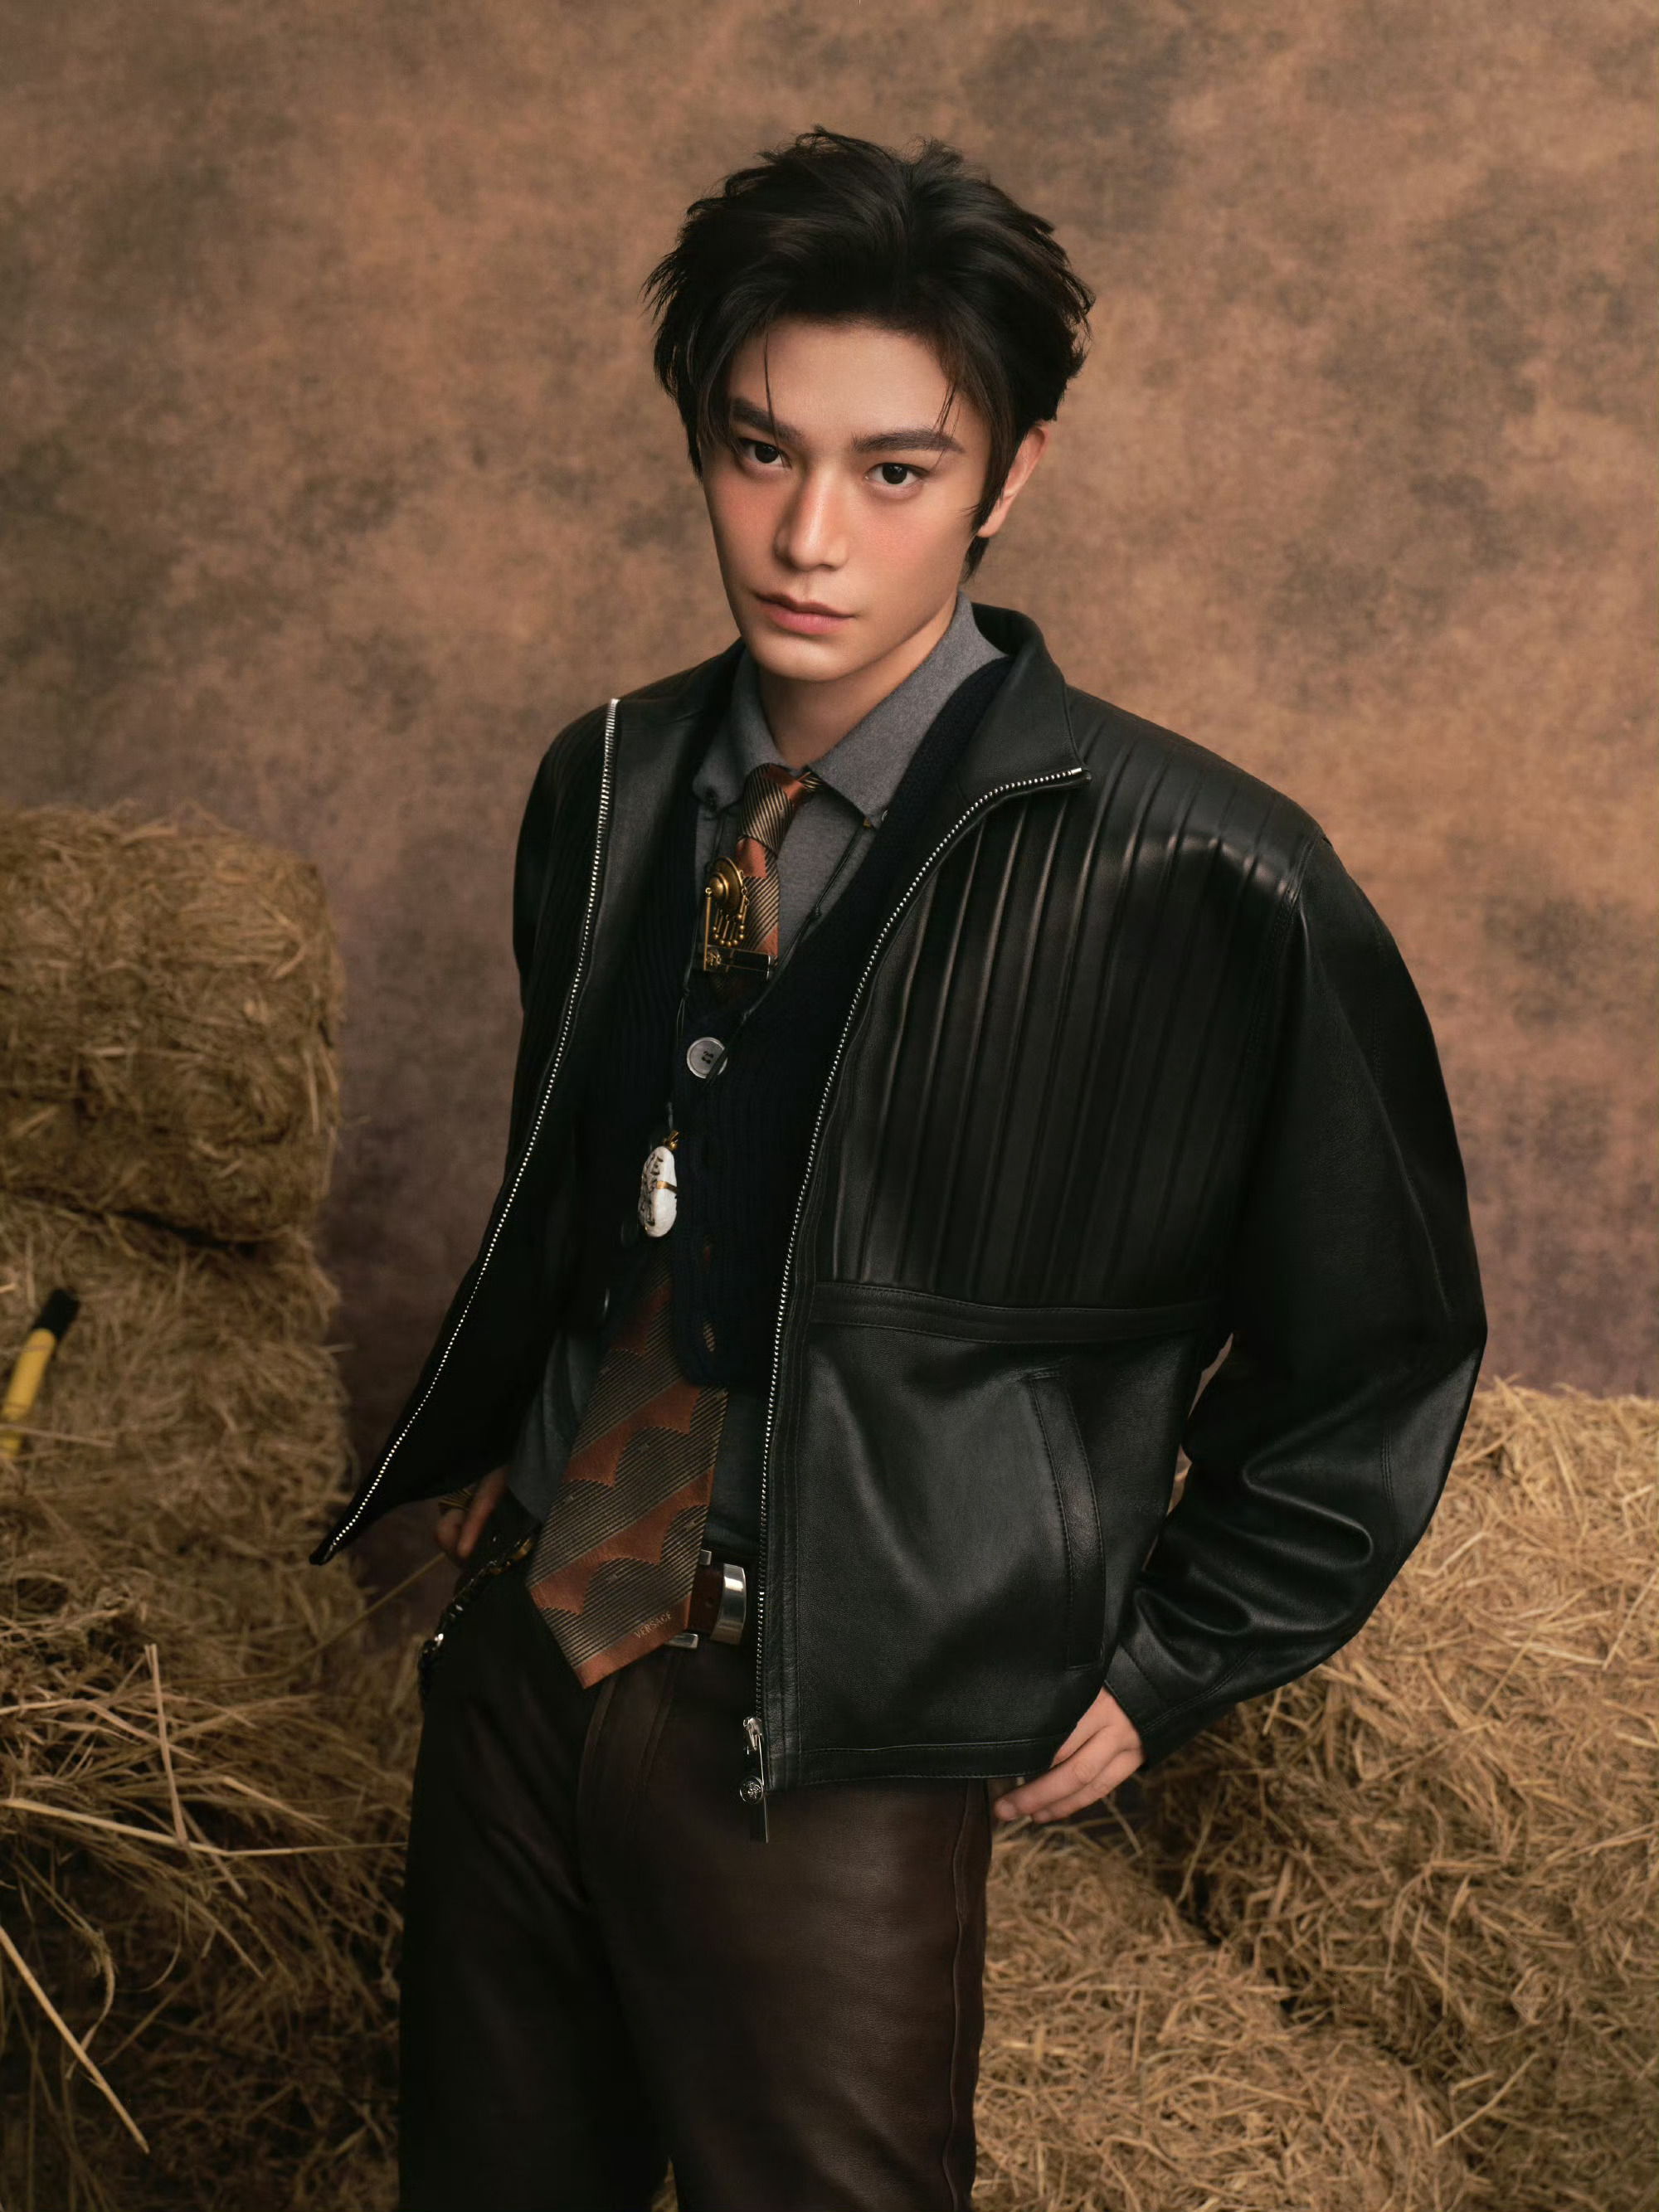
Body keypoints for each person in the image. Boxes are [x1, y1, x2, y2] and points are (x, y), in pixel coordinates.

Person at [312, 127, 1486, 2212]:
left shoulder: (1203, 874)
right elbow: (599, 1183)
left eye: (895, 470)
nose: (807, 535)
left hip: (827, 1731)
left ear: (1009, 474)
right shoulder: (604, 778)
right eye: (759, 452)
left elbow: (1381, 1338)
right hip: (521, 1659)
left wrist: (1171, 1652)